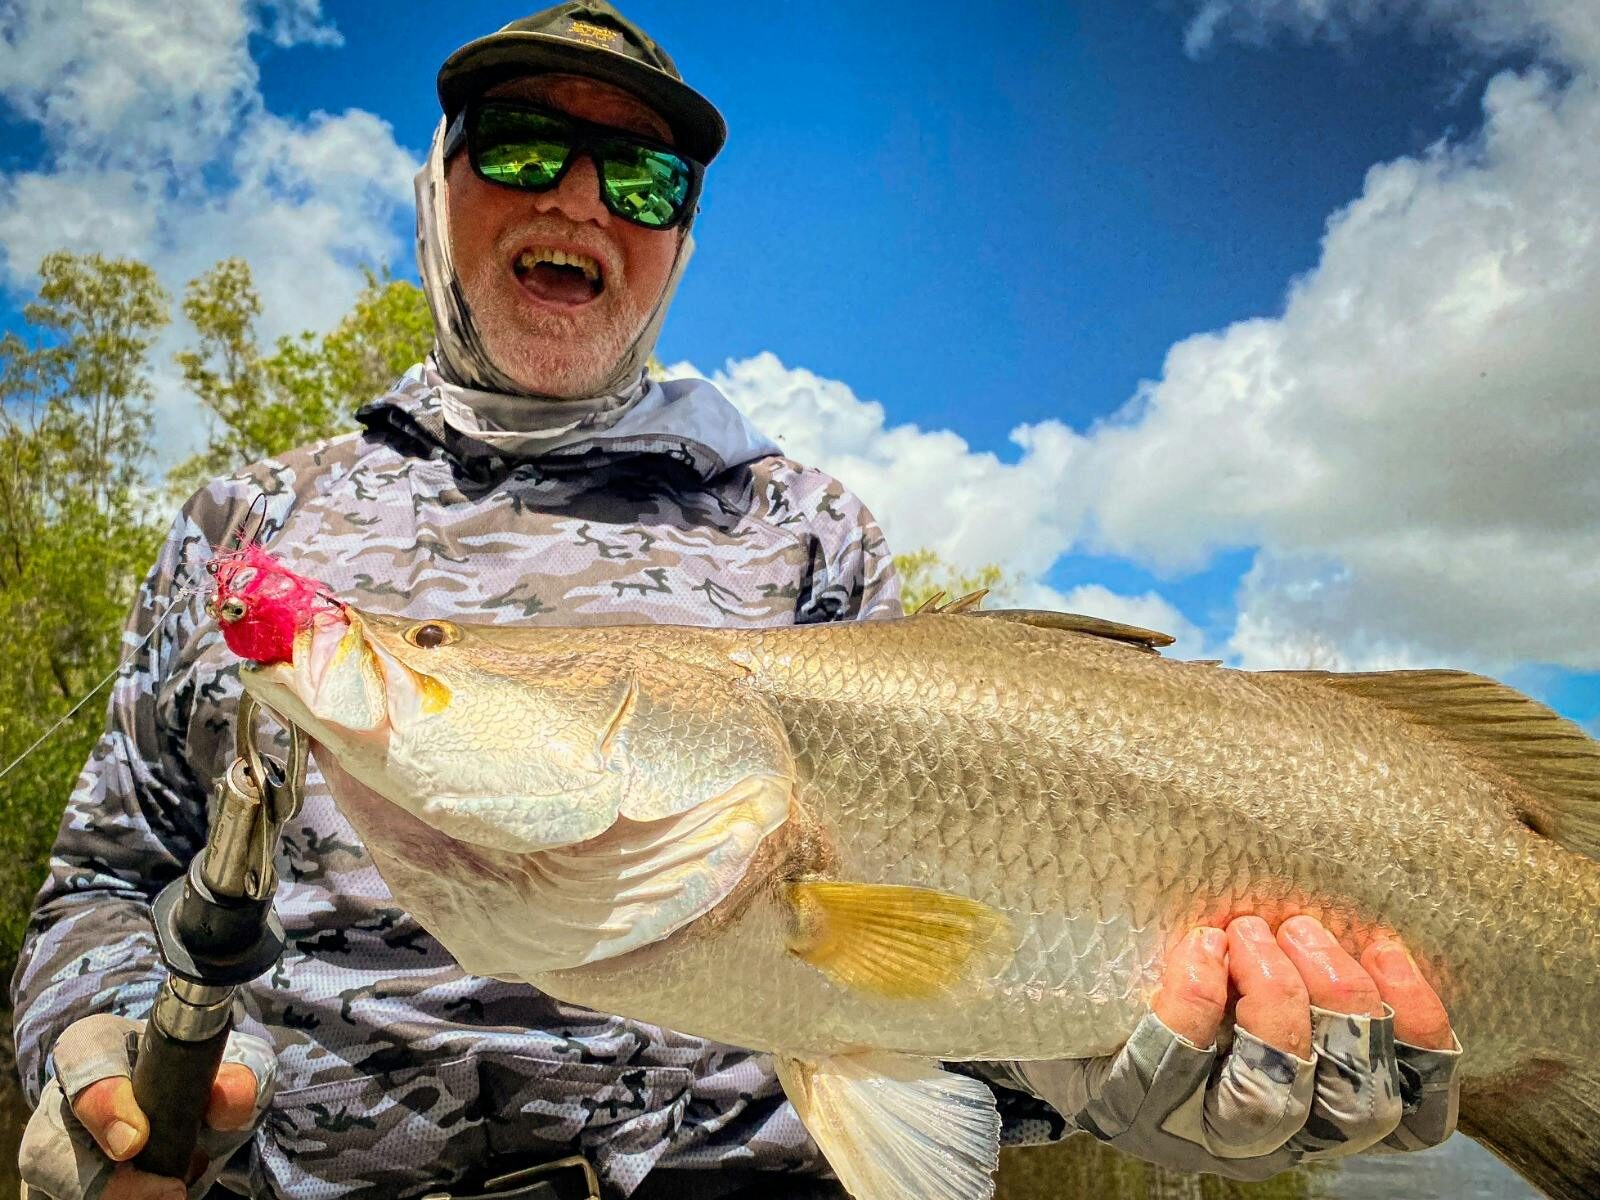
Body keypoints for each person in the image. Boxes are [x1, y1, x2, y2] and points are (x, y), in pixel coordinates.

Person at [11, 5, 1463, 1198]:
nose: (579, 199)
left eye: (641, 181)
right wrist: (95, 1047)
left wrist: (1118, 1076)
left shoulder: (813, 535)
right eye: (524, 146)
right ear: (440, 185)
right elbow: (98, 883)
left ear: (678, 240)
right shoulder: (249, 524)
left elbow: (932, 1005)